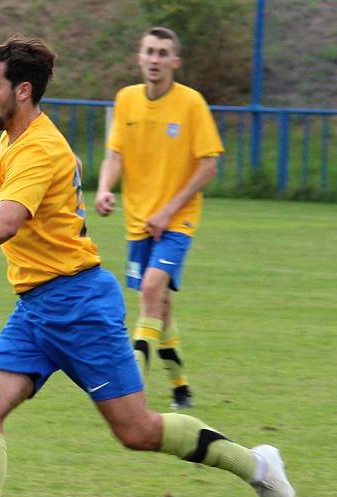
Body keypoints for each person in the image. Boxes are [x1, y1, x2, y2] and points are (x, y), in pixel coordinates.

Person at [0, 37, 296, 497]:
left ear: (22, 90)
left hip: (78, 304)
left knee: (137, 431)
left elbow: (8, 220)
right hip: (36, 308)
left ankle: (258, 464)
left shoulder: (37, 147)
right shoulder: (16, 137)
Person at [95, 26, 224, 410]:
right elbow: (114, 155)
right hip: (138, 220)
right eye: (149, 51)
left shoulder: (191, 104)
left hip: (177, 220)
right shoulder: (126, 99)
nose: (154, 59)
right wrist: (104, 188)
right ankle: (181, 386)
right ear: (139, 57)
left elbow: (209, 165)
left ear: (174, 61)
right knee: (159, 307)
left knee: (151, 291)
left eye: (162, 53)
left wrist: (169, 210)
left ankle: (129, 386)